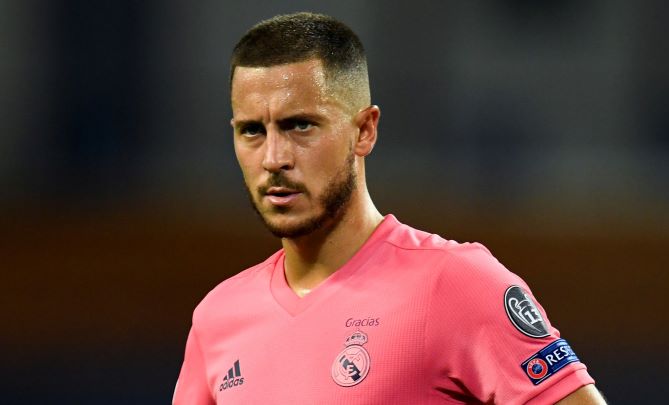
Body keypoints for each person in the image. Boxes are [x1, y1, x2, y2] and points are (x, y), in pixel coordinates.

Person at [173, 12, 606, 405]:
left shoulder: (454, 283)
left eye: (300, 125)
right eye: (252, 131)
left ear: (364, 130)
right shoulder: (218, 318)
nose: (273, 158)